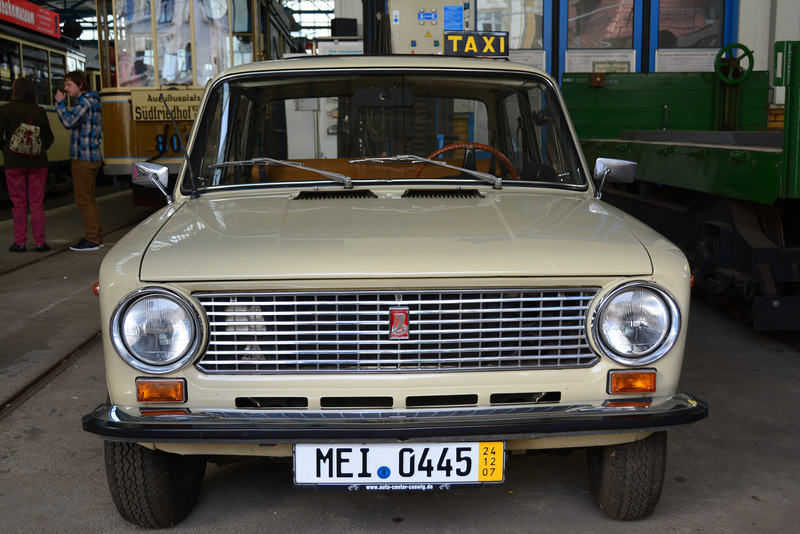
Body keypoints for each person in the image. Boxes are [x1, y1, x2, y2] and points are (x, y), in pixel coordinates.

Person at [2, 77, 55, 253]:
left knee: (19, 203)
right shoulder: (39, 111)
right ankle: (40, 242)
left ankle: (20, 242)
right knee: (36, 203)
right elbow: (49, 138)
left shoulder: (6, 110)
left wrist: (7, 150)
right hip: (38, 164)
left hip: (14, 164)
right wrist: (36, 151)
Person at [55, 70, 104, 251]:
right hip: (92, 157)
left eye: (69, 85)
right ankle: (97, 236)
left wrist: (59, 103)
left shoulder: (85, 102)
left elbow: (69, 122)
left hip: (83, 158)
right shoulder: (93, 101)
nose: (66, 89)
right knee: (89, 199)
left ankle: (92, 239)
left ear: (80, 85)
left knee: (83, 200)